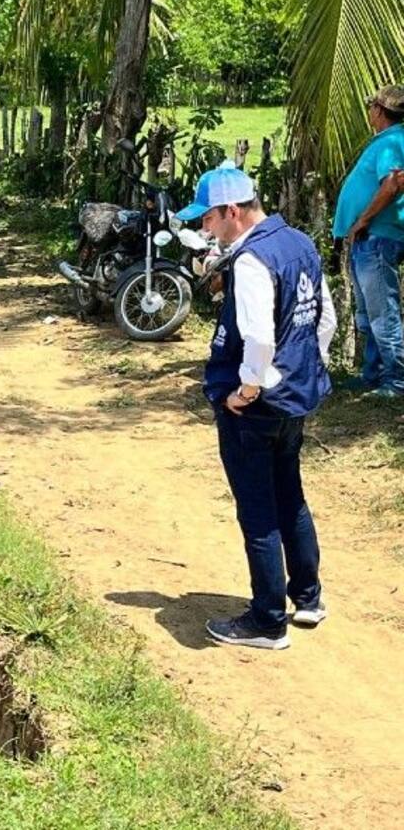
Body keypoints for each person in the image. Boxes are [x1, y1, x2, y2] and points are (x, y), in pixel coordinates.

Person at [175, 162, 336, 650]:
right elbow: (323, 318)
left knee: (258, 508)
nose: (205, 229)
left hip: (256, 405)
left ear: (231, 211)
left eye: (208, 219)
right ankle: (307, 597)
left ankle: (267, 620)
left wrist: (246, 389)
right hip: (294, 397)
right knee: (290, 493)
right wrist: (303, 368)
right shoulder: (299, 243)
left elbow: (260, 338)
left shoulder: (250, 261)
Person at [333, 85, 404, 396]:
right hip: (371, 237)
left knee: (381, 312)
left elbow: (392, 184)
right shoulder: (390, 140)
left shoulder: (392, 141)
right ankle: (373, 374)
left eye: (371, 108)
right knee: (368, 313)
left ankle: (396, 380)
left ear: (378, 111)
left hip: (376, 236)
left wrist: (362, 219)